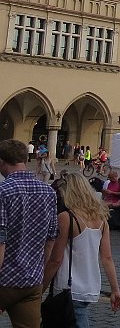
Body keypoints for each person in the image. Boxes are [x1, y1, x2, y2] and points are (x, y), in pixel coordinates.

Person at [42, 173, 120, 327]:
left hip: (68, 285)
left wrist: (41, 287)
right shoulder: (101, 218)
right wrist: (115, 289)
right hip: (89, 285)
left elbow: (56, 259)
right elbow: (107, 258)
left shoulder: (66, 217)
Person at [0, 140, 59, 327]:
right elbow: (51, 239)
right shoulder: (48, 191)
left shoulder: (3, 192)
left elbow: (0, 242)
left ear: (2, 161)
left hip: (5, 279)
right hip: (31, 280)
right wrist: (40, 272)